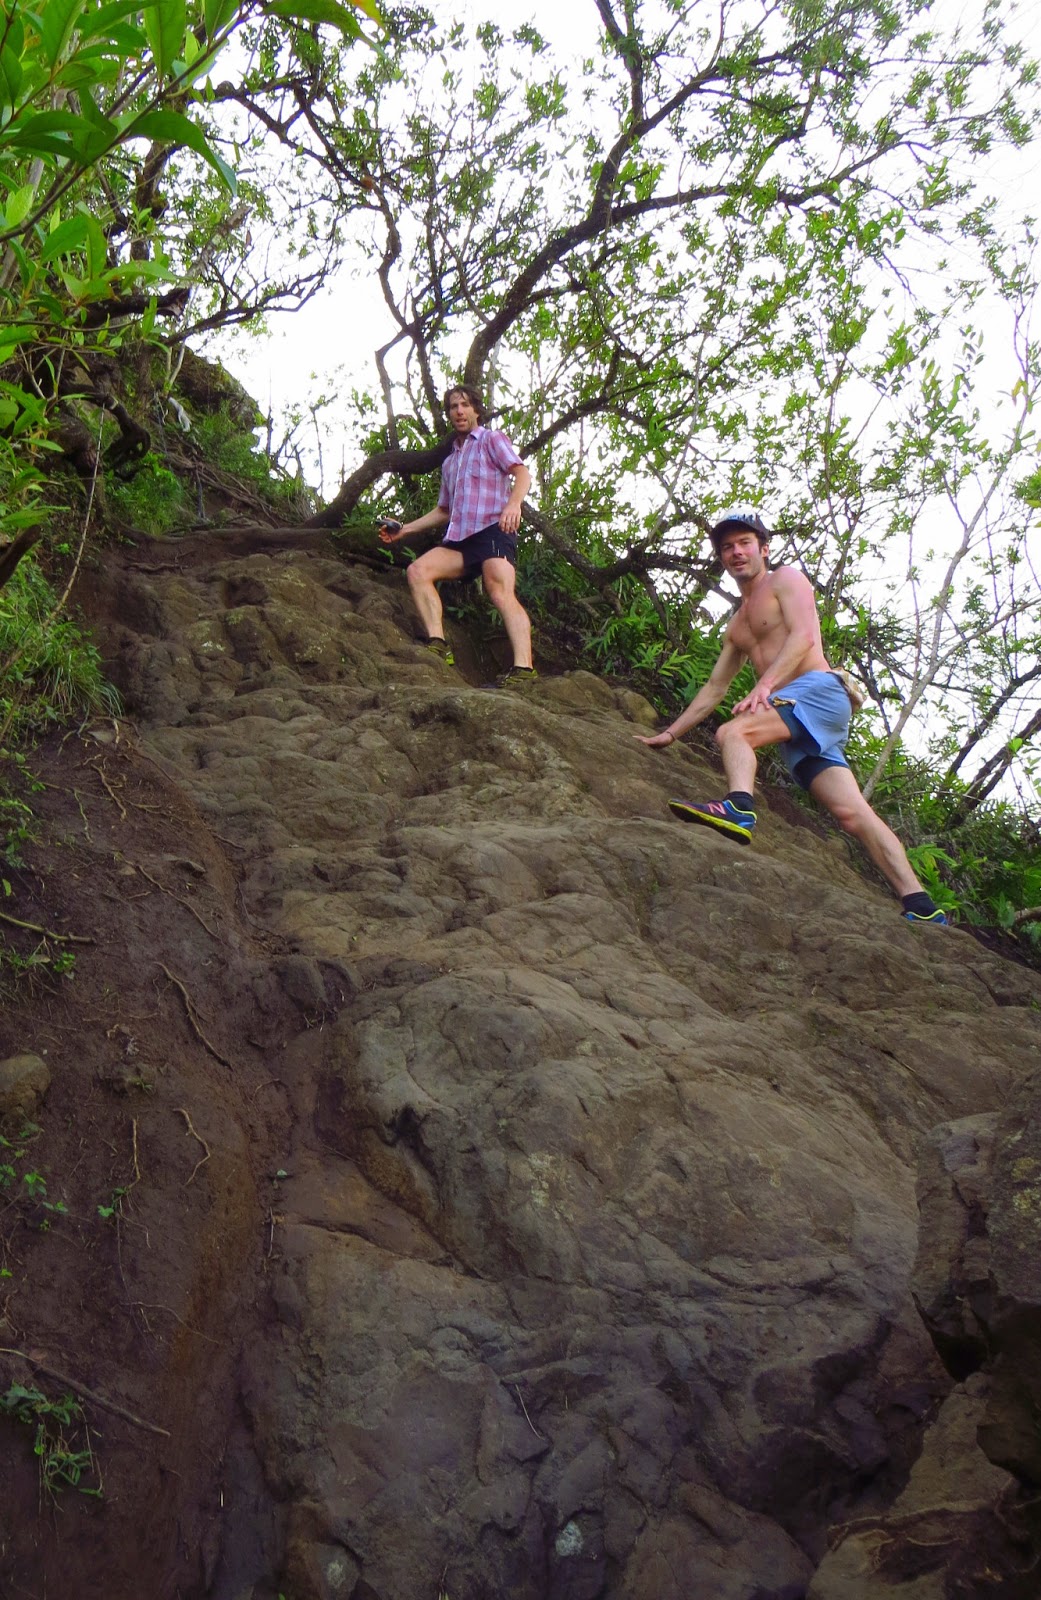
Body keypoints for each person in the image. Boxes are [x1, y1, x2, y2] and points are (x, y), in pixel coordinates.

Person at [634, 510, 949, 925]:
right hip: (799, 716)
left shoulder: (786, 580)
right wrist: (671, 734)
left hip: (819, 690)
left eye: (744, 543)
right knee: (853, 814)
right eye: (726, 547)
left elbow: (804, 637)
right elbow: (714, 689)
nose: (736, 552)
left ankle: (739, 808)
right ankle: (922, 906)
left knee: (735, 732)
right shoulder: (737, 627)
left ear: (763, 549)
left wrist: (766, 685)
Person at [378, 385, 537, 685]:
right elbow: (444, 510)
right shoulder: (450, 462)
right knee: (418, 570)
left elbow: (522, 472)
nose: (459, 411)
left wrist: (514, 504)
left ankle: (524, 669)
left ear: (476, 410)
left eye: (465, 405)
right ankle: (438, 644)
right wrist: (405, 529)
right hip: (461, 540)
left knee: (499, 590)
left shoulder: (491, 439)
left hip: (493, 529)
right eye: (453, 407)